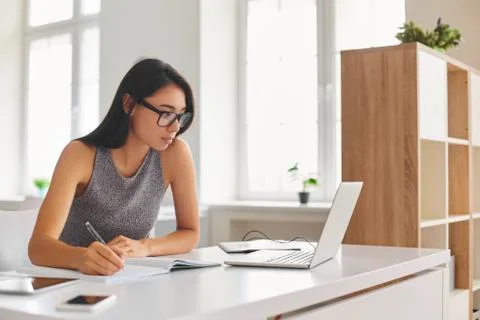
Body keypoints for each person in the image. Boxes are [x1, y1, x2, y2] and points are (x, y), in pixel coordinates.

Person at [28, 58, 199, 276]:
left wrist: (145, 247)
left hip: (129, 282)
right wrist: (82, 257)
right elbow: (38, 247)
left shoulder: (175, 154)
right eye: (165, 113)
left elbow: (190, 233)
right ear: (129, 104)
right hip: (70, 284)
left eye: (180, 116)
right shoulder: (80, 154)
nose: (175, 127)